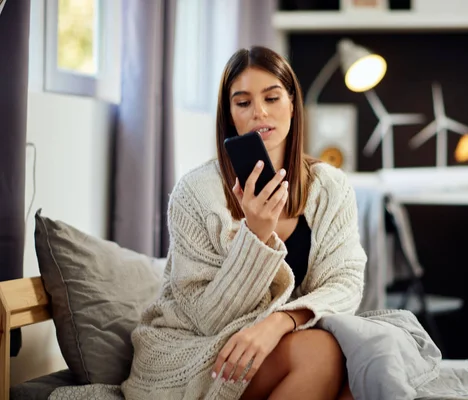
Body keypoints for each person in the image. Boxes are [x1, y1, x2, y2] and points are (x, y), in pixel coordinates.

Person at [121, 45, 367, 400]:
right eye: (243, 102)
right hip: (193, 350)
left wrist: (279, 322)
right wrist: (255, 234)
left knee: (357, 372)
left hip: (277, 341)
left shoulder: (329, 187)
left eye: (272, 97)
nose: (260, 112)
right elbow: (206, 316)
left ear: (293, 104)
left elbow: (345, 283)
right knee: (323, 352)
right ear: (229, 113)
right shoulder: (194, 193)